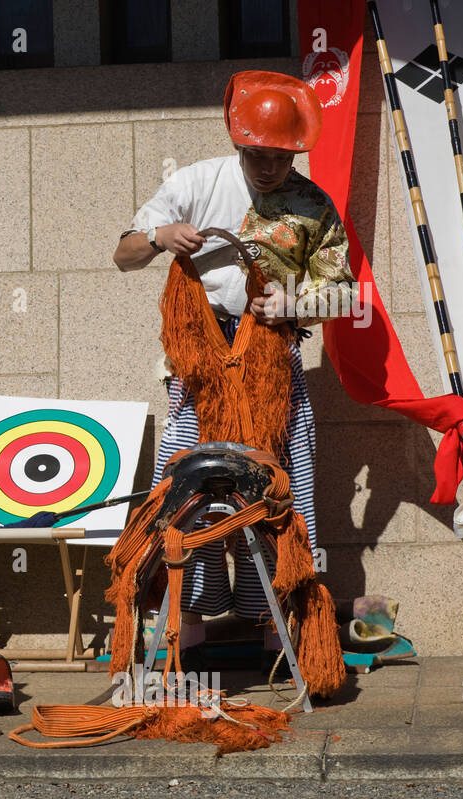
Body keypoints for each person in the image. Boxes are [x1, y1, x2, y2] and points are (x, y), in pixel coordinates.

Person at [112, 70, 355, 673]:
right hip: (197, 366)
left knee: (277, 489)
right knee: (186, 487)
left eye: (280, 157)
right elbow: (124, 255)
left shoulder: (313, 206)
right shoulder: (194, 182)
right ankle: (189, 626)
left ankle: (275, 624)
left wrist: (293, 303)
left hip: (273, 360)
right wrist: (160, 235)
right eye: (256, 155)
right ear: (238, 142)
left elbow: (345, 295)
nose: (268, 167)